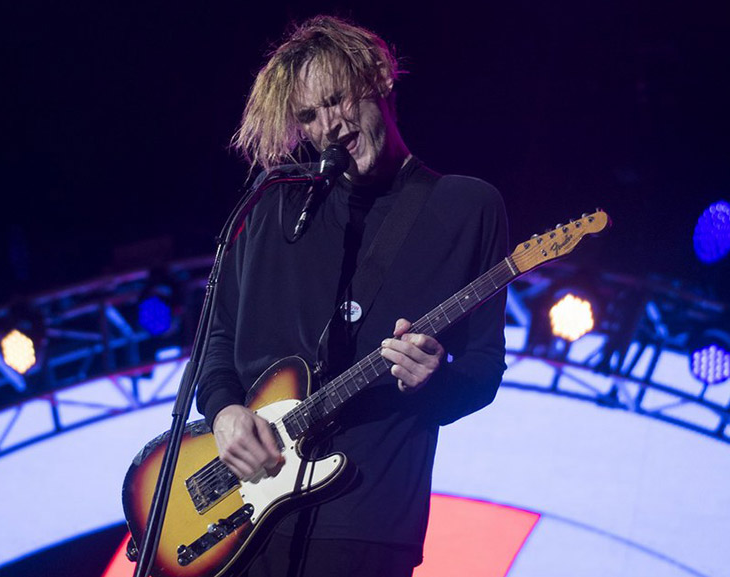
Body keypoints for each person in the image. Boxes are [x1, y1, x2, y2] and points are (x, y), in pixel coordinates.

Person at [196, 15, 508, 577]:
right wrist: (223, 414)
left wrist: (435, 379)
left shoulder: (466, 208)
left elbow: (483, 370)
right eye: (308, 116)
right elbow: (217, 343)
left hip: (367, 523)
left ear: (381, 79)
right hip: (243, 521)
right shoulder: (271, 207)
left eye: (336, 100)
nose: (327, 126)